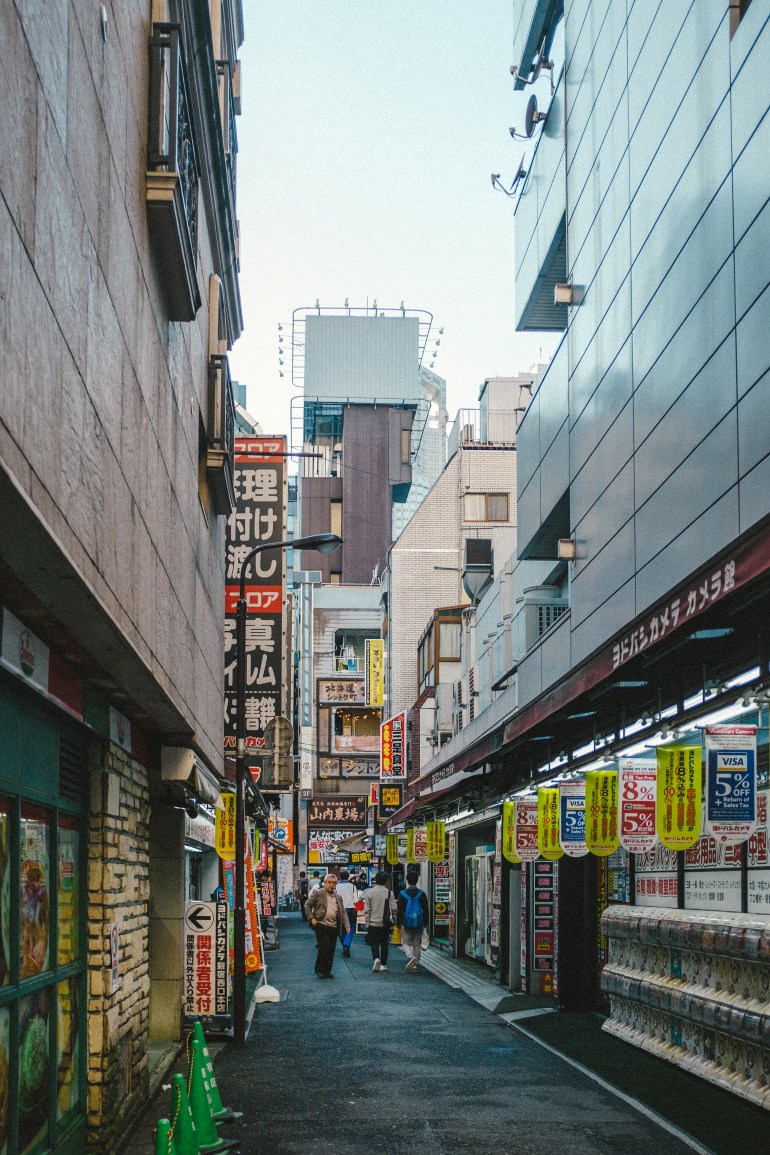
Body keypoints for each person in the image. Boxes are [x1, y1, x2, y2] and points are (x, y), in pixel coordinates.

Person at [305, 874, 349, 979]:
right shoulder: (318, 893)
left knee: (331, 950)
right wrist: (311, 918)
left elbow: (343, 911)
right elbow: (307, 905)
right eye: (329, 882)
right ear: (325, 883)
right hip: (321, 925)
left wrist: (346, 924)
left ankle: (327, 971)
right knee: (324, 948)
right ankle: (319, 970)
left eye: (334, 883)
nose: (332, 885)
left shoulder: (338, 897)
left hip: (333, 926)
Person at [397, 868, 430, 972]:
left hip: (406, 922)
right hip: (419, 923)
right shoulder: (422, 894)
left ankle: (411, 957)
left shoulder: (402, 894)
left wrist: (398, 923)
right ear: (417, 880)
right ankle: (415, 964)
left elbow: (400, 910)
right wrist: (425, 922)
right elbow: (426, 909)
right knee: (416, 944)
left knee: (405, 942)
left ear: (407, 880)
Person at [363, 870, 396, 972]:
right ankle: (383, 964)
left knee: (374, 943)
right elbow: (394, 908)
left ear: (376, 880)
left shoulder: (369, 892)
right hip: (385, 923)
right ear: (385, 881)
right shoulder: (389, 893)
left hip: (373, 922)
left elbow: (367, 910)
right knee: (384, 943)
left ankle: (376, 958)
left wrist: (367, 923)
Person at [336, 869, 358, 957]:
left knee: (341, 929)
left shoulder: (336, 886)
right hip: (351, 910)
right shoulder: (353, 886)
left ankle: (345, 944)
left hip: (340, 910)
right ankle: (346, 945)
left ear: (340, 877)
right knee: (351, 928)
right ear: (348, 877)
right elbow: (356, 900)